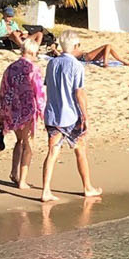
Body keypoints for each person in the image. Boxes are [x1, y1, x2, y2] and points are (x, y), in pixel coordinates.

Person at [39, 35, 102, 203]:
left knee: (52, 153)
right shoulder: (76, 65)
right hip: (70, 116)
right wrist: (86, 115)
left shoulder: (52, 63)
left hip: (52, 114)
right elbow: (79, 93)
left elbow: (49, 86)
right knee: (80, 150)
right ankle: (87, 187)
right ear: (75, 46)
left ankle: (46, 190)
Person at [0, 34, 46, 189]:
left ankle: (14, 173)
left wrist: (1, 115)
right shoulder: (32, 68)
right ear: (32, 52)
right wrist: (43, 112)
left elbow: (3, 91)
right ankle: (22, 180)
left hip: (11, 110)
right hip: (27, 110)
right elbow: (39, 92)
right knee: (28, 144)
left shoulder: (10, 68)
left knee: (19, 141)